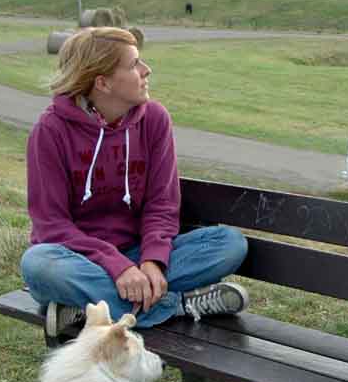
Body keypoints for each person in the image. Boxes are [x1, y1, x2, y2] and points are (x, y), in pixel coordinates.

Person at [20, 27, 248, 338]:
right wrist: (118, 267)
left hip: (139, 256)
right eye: (134, 64)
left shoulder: (154, 120)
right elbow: (51, 226)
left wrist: (153, 261)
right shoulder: (51, 132)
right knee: (38, 265)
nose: (146, 70)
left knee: (229, 243)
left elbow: (162, 205)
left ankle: (88, 307)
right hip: (80, 262)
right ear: (103, 83)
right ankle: (178, 305)